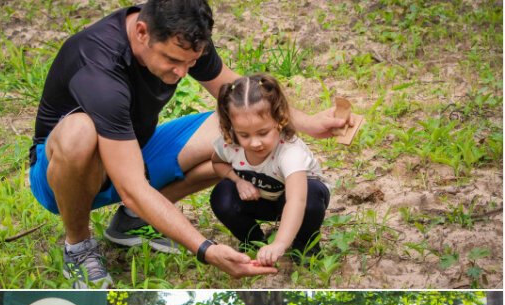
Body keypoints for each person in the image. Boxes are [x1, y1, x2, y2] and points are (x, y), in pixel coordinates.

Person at [28, 1, 345, 287]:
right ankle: (79, 246)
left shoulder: (185, 35)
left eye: (190, 63)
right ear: (142, 32)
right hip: (64, 175)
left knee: (234, 127)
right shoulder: (99, 67)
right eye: (172, 60)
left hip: (132, 149)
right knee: (80, 132)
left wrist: (309, 123)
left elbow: (235, 90)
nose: (181, 72)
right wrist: (205, 249)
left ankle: (133, 221)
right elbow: (131, 187)